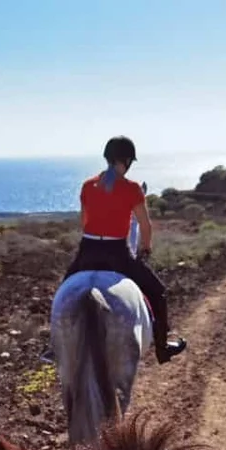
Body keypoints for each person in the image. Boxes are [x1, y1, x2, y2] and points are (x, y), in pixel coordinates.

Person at [49, 136, 186, 364]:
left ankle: (55, 347)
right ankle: (162, 347)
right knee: (157, 291)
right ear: (128, 161)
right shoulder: (132, 188)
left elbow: (84, 221)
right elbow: (145, 225)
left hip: (88, 251)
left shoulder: (88, 185)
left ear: (107, 158)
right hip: (117, 254)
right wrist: (145, 249)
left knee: (62, 294)